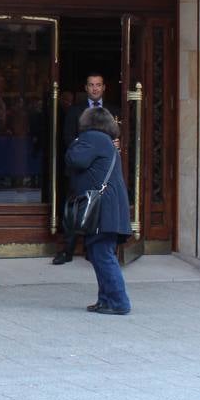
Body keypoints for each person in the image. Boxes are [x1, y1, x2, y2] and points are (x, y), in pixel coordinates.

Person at [65, 107, 133, 315]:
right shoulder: (105, 141)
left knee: (102, 254)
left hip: (102, 208)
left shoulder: (92, 137)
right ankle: (106, 300)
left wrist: (75, 143)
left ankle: (119, 302)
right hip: (109, 207)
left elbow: (75, 159)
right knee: (99, 253)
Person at [56, 73, 119, 265]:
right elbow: (67, 138)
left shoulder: (113, 111)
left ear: (104, 87)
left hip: (102, 172)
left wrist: (116, 144)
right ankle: (67, 250)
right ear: (85, 88)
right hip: (80, 169)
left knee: (99, 209)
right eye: (91, 85)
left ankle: (93, 250)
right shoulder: (75, 111)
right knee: (74, 210)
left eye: (98, 85)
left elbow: (122, 137)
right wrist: (89, 150)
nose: (95, 88)